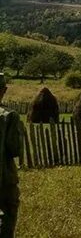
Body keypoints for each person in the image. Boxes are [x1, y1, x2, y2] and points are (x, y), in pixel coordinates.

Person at [0, 73, 23, 238]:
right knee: (6, 218)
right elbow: (15, 149)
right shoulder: (9, 116)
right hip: (4, 179)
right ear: (4, 90)